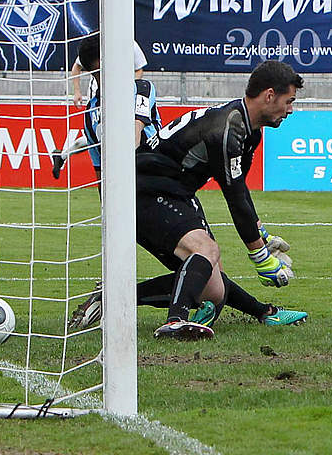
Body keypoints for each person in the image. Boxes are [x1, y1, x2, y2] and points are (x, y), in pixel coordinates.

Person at [133, 61, 305, 340]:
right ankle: (175, 321)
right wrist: (260, 258)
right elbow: (234, 196)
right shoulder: (228, 129)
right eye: (289, 101)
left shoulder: (248, 129)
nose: (291, 110)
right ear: (269, 95)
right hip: (146, 189)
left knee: (214, 290)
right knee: (205, 250)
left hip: (175, 191)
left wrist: (261, 234)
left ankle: (113, 298)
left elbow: (241, 192)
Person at [53, 38, 148, 179]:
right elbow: (77, 66)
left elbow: (139, 69)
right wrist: (77, 91)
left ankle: (62, 156)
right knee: (101, 137)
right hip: (97, 98)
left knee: (100, 138)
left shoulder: (130, 44)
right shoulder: (98, 45)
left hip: (122, 97)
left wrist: (130, 87)